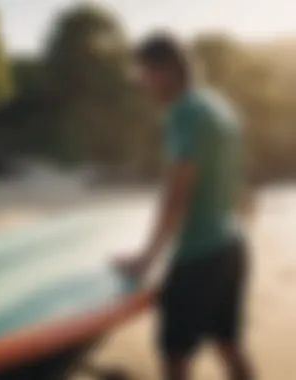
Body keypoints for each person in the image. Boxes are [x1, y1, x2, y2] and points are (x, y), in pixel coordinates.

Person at [115, 33, 254, 380]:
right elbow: (237, 180)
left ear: (164, 70)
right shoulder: (217, 106)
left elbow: (177, 195)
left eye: (142, 73)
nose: (141, 83)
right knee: (229, 344)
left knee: (175, 358)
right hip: (232, 247)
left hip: (199, 256)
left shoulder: (183, 114)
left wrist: (146, 258)